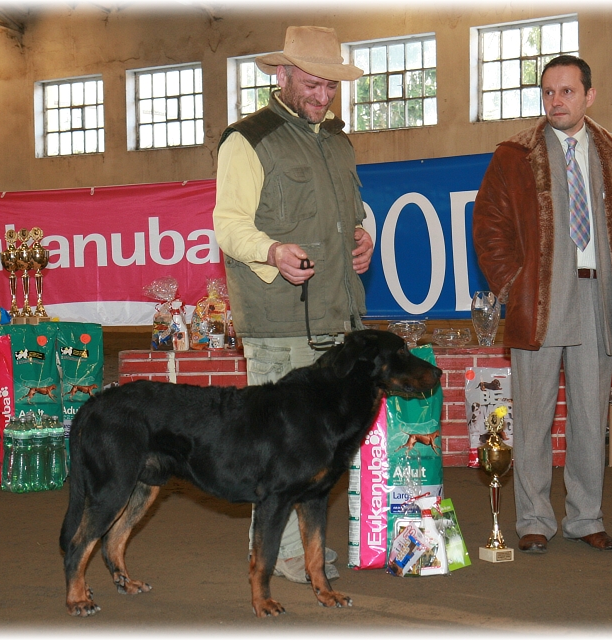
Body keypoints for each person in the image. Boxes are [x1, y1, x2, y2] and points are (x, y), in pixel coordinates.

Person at [471, 55, 612, 555]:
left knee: (588, 417)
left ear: (589, 96)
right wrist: (514, 285)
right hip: (540, 297)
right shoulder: (514, 154)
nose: (556, 101)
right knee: (532, 417)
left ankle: (586, 518)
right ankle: (533, 520)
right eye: (548, 92)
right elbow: (488, 226)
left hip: (600, 295)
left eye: (567, 92)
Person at [212, 25, 374, 582]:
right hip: (278, 321)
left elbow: (350, 214)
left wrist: (363, 237)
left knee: (321, 453)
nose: (323, 95)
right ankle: (279, 560)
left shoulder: (338, 139)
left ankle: (301, 551)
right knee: (278, 455)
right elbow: (228, 225)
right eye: (311, 83)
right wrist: (272, 249)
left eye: (330, 85)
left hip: (338, 319)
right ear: (281, 76)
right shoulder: (247, 140)